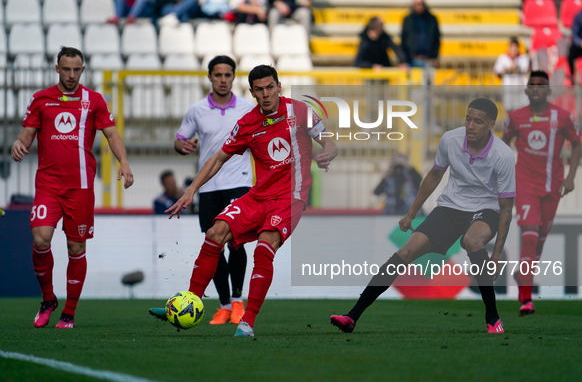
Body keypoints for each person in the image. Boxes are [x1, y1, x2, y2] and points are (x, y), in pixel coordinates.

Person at [149, 65, 337, 336]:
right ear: (252, 92)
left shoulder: (301, 112)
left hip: (290, 195)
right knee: (215, 232)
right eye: (259, 90)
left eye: (270, 87)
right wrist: (190, 192)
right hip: (259, 194)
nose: (266, 94)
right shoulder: (248, 123)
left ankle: (247, 322)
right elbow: (217, 160)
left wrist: (326, 154)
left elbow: (330, 143)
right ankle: (188, 302)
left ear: (279, 86)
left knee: (264, 246)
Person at [331, 98, 515, 334]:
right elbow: (434, 176)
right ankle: (352, 316)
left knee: (472, 241)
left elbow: (507, 208)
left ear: (491, 125)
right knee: (405, 252)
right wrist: (411, 214)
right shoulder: (450, 140)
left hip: (486, 209)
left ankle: (493, 318)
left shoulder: (503, 155)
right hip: (450, 207)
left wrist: (497, 254)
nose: (470, 126)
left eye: (478, 122)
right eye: (468, 119)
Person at [10, 46, 134, 329]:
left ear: (83, 70)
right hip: (48, 185)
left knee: (75, 247)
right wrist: (19, 144)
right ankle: (48, 298)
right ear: (57, 69)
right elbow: (27, 134)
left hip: (80, 186)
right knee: (41, 239)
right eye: (66, 69)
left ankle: (69, 313)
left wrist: (123, 162)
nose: (71, 74)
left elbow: (112, 133)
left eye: (76, 69)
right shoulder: (41, 99)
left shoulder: (94, 100)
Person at [173, 55, 255, 325]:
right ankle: (223, 305)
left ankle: (238, 302)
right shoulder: (197, 110)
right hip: (208, 186)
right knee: (213, 244)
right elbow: (180, 138)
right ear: (210, 77)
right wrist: (182, 146)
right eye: (217, 75)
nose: (222, 80)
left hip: (239, 182)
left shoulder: (246, 107)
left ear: (234, 77)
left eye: (227, 75)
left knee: (236, 243)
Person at [502, 70, 582, 315]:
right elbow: (503, 145)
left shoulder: (563, 117)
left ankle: (521, 275)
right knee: (529, 237)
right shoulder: (515, 117)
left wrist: (570, 177)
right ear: (526, 91)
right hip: (524, 184)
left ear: (548, 91)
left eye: (541, 85)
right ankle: (526, 298)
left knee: (539, 242)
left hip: (553, 184)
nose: (536, 89)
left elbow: (577, 144)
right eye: (532, 85)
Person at [400, 0, 440, 68]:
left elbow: (436, 39)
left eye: (421, 3)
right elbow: (403, 40)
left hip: (428, 60)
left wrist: (434, 57)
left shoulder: (432, 20)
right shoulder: (407, 20)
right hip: (411, 60)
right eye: (417, 3)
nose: (419, 6)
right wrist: (404, 60)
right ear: (413, 4)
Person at [493, 36, 530, 112]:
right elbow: (497, 72)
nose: (514, 49)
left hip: (520, 89)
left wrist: (516, 67)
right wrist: (507, 70)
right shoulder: (502, 58)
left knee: (521, 110)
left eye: (515, 47)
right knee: (509, 110)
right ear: (509, 47)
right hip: (508, 88)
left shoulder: (523, 58)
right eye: (512, 46)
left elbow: (525, 69)